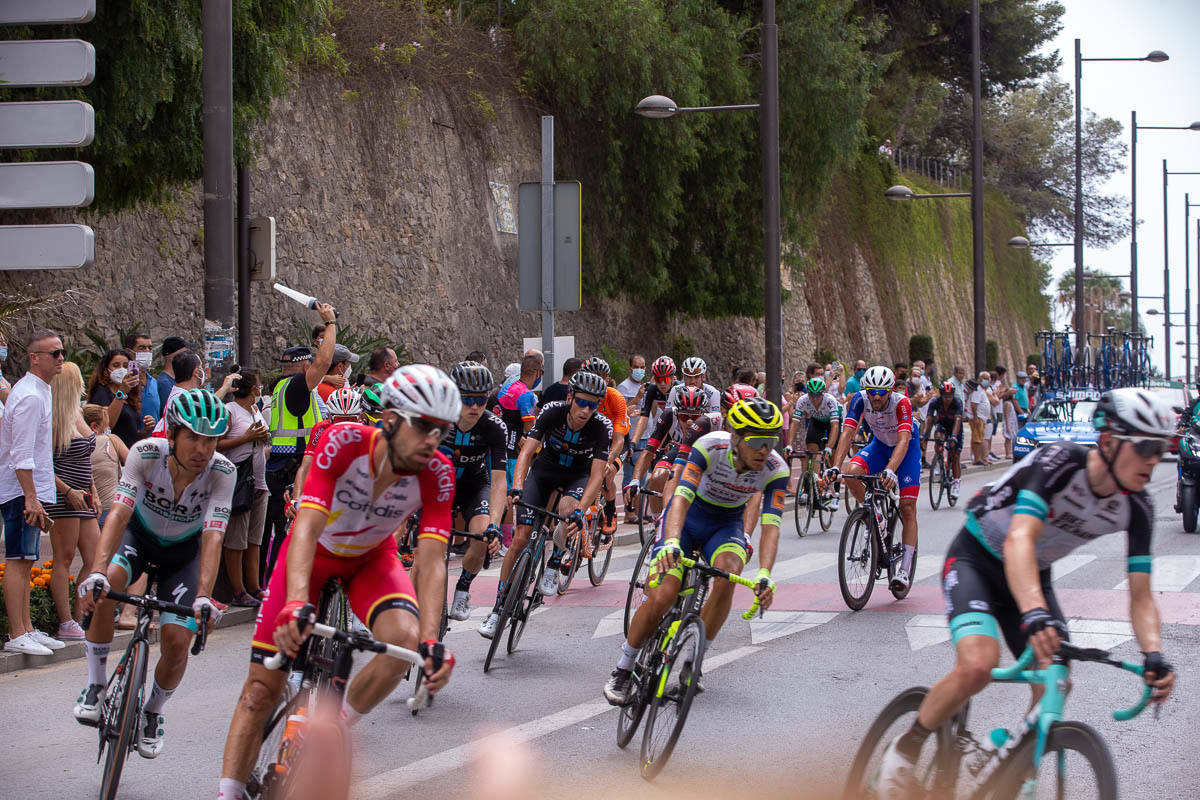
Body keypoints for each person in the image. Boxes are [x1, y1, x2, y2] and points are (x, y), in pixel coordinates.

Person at [875, 389, 1178, 797]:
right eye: (1144, 447)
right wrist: (1035, 612)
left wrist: (1154, 653)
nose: (1153, 459)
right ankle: (904, 751)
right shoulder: (1061, 463)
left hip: (1030, 573)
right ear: (1108, 441)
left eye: (1160, 448)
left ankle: (1005, 762)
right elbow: (1020, 537)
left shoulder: (1136, 506)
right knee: (979, 665)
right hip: (977, 558)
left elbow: (1141, 595)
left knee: (1055, 679)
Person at [217, 365, 461, 800]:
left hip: (371, 561)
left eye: (442, 431)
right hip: (312, 557)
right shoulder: (343, 443)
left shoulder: (438, 472)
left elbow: (433, 560)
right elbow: (306, 529)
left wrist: (430, 640)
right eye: (423, 426)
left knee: (402, 643)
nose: (432, 440)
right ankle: (228, 793)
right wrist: (294, 602)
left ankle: (328, 731)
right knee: (259, 691)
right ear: (390, 419)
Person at [74, 389, 234, 760]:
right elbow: (118, 514)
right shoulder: (147, 453)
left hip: (183, 554)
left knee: (178, 640)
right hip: (139, 538)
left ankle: (152, 712)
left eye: (210, 440)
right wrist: (95, 572)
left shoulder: (223, 471)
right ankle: (97, 685)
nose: (202, 449)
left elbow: (214, 535)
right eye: (193, 437)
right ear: (172, 434)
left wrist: (204, 596)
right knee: (108, 583)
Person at [604, 397, 785, 706]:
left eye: (772, 441)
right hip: (687, 518)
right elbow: (681, 498)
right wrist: (672, 541)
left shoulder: (775, 469)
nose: (765, 450)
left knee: (729, 576)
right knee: (663, 595)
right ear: (737, 437)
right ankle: (623, 668)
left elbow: (771, 527)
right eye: (757, 441)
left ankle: (694, 662)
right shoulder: (709, 447)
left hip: (725, 525)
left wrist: (766, 573)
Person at [479, 370, 612, 637]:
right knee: (520, 539)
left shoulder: (601, 427)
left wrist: (581, 512)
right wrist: (517, 485)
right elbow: (527, 452)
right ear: (571, 397)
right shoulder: (552, 411)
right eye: (582, 402)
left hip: (577, 476)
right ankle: (497, 609)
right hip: (543, 473)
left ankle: (554, 561)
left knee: (568, 512)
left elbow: (597, 476)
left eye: (593, 405)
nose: (586, 410)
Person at [826, 366, 921, 592]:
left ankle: (905, 570)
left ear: (889, 391)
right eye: (872, 391)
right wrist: (835, 467)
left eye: (881, 392)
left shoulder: (902, 403)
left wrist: (890, 469)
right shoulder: (859, 400)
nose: (876, 397)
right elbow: (848, 432)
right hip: (879, 445)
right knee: (851, 472)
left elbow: (904, 440)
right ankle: (874, 513)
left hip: (905, 449)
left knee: (907, 508)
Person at [262, 302, 337, 581]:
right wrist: (329, 324)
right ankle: (278, 590)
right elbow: (324, 362)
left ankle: (277, 587)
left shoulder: (282, 388)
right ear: (304, 365)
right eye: (310, 365)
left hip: (285, 465)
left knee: (287, 532)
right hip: (292, 468)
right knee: (290, 533)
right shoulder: (295, 388)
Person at [0, 330, 64, 655]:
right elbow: (20, 453)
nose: (61, 359)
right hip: (21, 491)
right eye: (54, 353)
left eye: (62, 352)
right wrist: (30, 496)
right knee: (17, 558)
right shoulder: (30, 396)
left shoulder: (39, 392)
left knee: (27, 559)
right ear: (34, 357)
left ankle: (26, 628)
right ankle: (17, 633)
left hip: (30, 489)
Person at [442, 362, 506, 621]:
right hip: (440, 485)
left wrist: (495, 524)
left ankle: (463, 589)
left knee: (481, 536)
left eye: (481, 399)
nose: (475, 407)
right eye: (467, 399)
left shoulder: (493, 426)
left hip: (474, 484)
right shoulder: (437, 419)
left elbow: (499, 481)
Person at [45, 362, 101, 639]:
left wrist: (94, 490)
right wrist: (68, 491)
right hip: (62, 497)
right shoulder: (53, 418)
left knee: (95, 557)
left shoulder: (78, 412)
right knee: (64, 558)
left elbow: (85, 458)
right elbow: (43, 464)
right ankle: (66, 620)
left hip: (84, 495)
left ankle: (79, 615)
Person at [218, 370, 270, 606]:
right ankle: (237, 589)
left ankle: (254, 586)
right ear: (253, 389)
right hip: (240, 480)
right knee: (237, 538)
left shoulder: (255, 410)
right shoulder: (231, 411)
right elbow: (219, 445)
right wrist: (246, 438)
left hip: (259, 480)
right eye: (259, 385)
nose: (261, 389)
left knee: (254, 539)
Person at [786, 376, 842, 504]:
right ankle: (808, 487)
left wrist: (828, 447)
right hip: (817, 421)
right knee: (811, 451)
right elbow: (794, 423)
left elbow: (834, 426)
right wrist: (789, 445)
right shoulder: (803, 400)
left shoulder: (830, 401)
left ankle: (835, 494)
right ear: (808, 394)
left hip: (833, 422)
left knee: (833, 457)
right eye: (812, 395)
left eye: (818, 396)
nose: (815, 399)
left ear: (823, 393)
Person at [88, 348, 154, 447]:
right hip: (113, 452)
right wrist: (122, 392)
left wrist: (145, 430)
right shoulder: (101, 393)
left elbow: (131, 435)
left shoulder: (130, 395)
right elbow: (106, 426)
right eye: (116, 365)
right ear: (105, 371)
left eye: (125, 366)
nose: (121, 369)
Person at [83, 403, 127, 529]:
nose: (108, 428)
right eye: (106, 425)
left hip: (86, 511)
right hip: (111, 508)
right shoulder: (111, 439)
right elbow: (135, 464)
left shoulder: (74, 445)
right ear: (95, 427)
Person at [921, 380, 964, 499]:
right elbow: (929, 418)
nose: (948, 399)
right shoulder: (935, 402)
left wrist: (954, 437)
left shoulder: (957, 402)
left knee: (955, 456)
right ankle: (938, 461)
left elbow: (958, 421)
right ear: (941, 394)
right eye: (945, 396)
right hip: (942, 425)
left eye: (950, 396)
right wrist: (924, 434)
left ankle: (956, 483)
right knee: (938, 437)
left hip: (955, 428)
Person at [617, 354, 648, 510]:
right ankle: (629, 512)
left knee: (642, 477)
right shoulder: (623, 387)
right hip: (631, 436)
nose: (639, 370)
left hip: (646, 435)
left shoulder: (645, 387)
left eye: (642, 367)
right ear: (630, 369)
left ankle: (640, 511)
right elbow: (620, 410)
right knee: (630, 476)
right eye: (636, 367)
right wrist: (637, 397)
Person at [124, 331, 162, 422]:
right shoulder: (124, 383)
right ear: (128, 352)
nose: (147, 352)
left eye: (150, 348)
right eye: (142, 348)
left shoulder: (154, 382)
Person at [155, 336, 196, 405]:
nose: (187, 356)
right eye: (184, 353)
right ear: (171, 355)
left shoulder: (174, 379)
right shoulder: (165, 384)